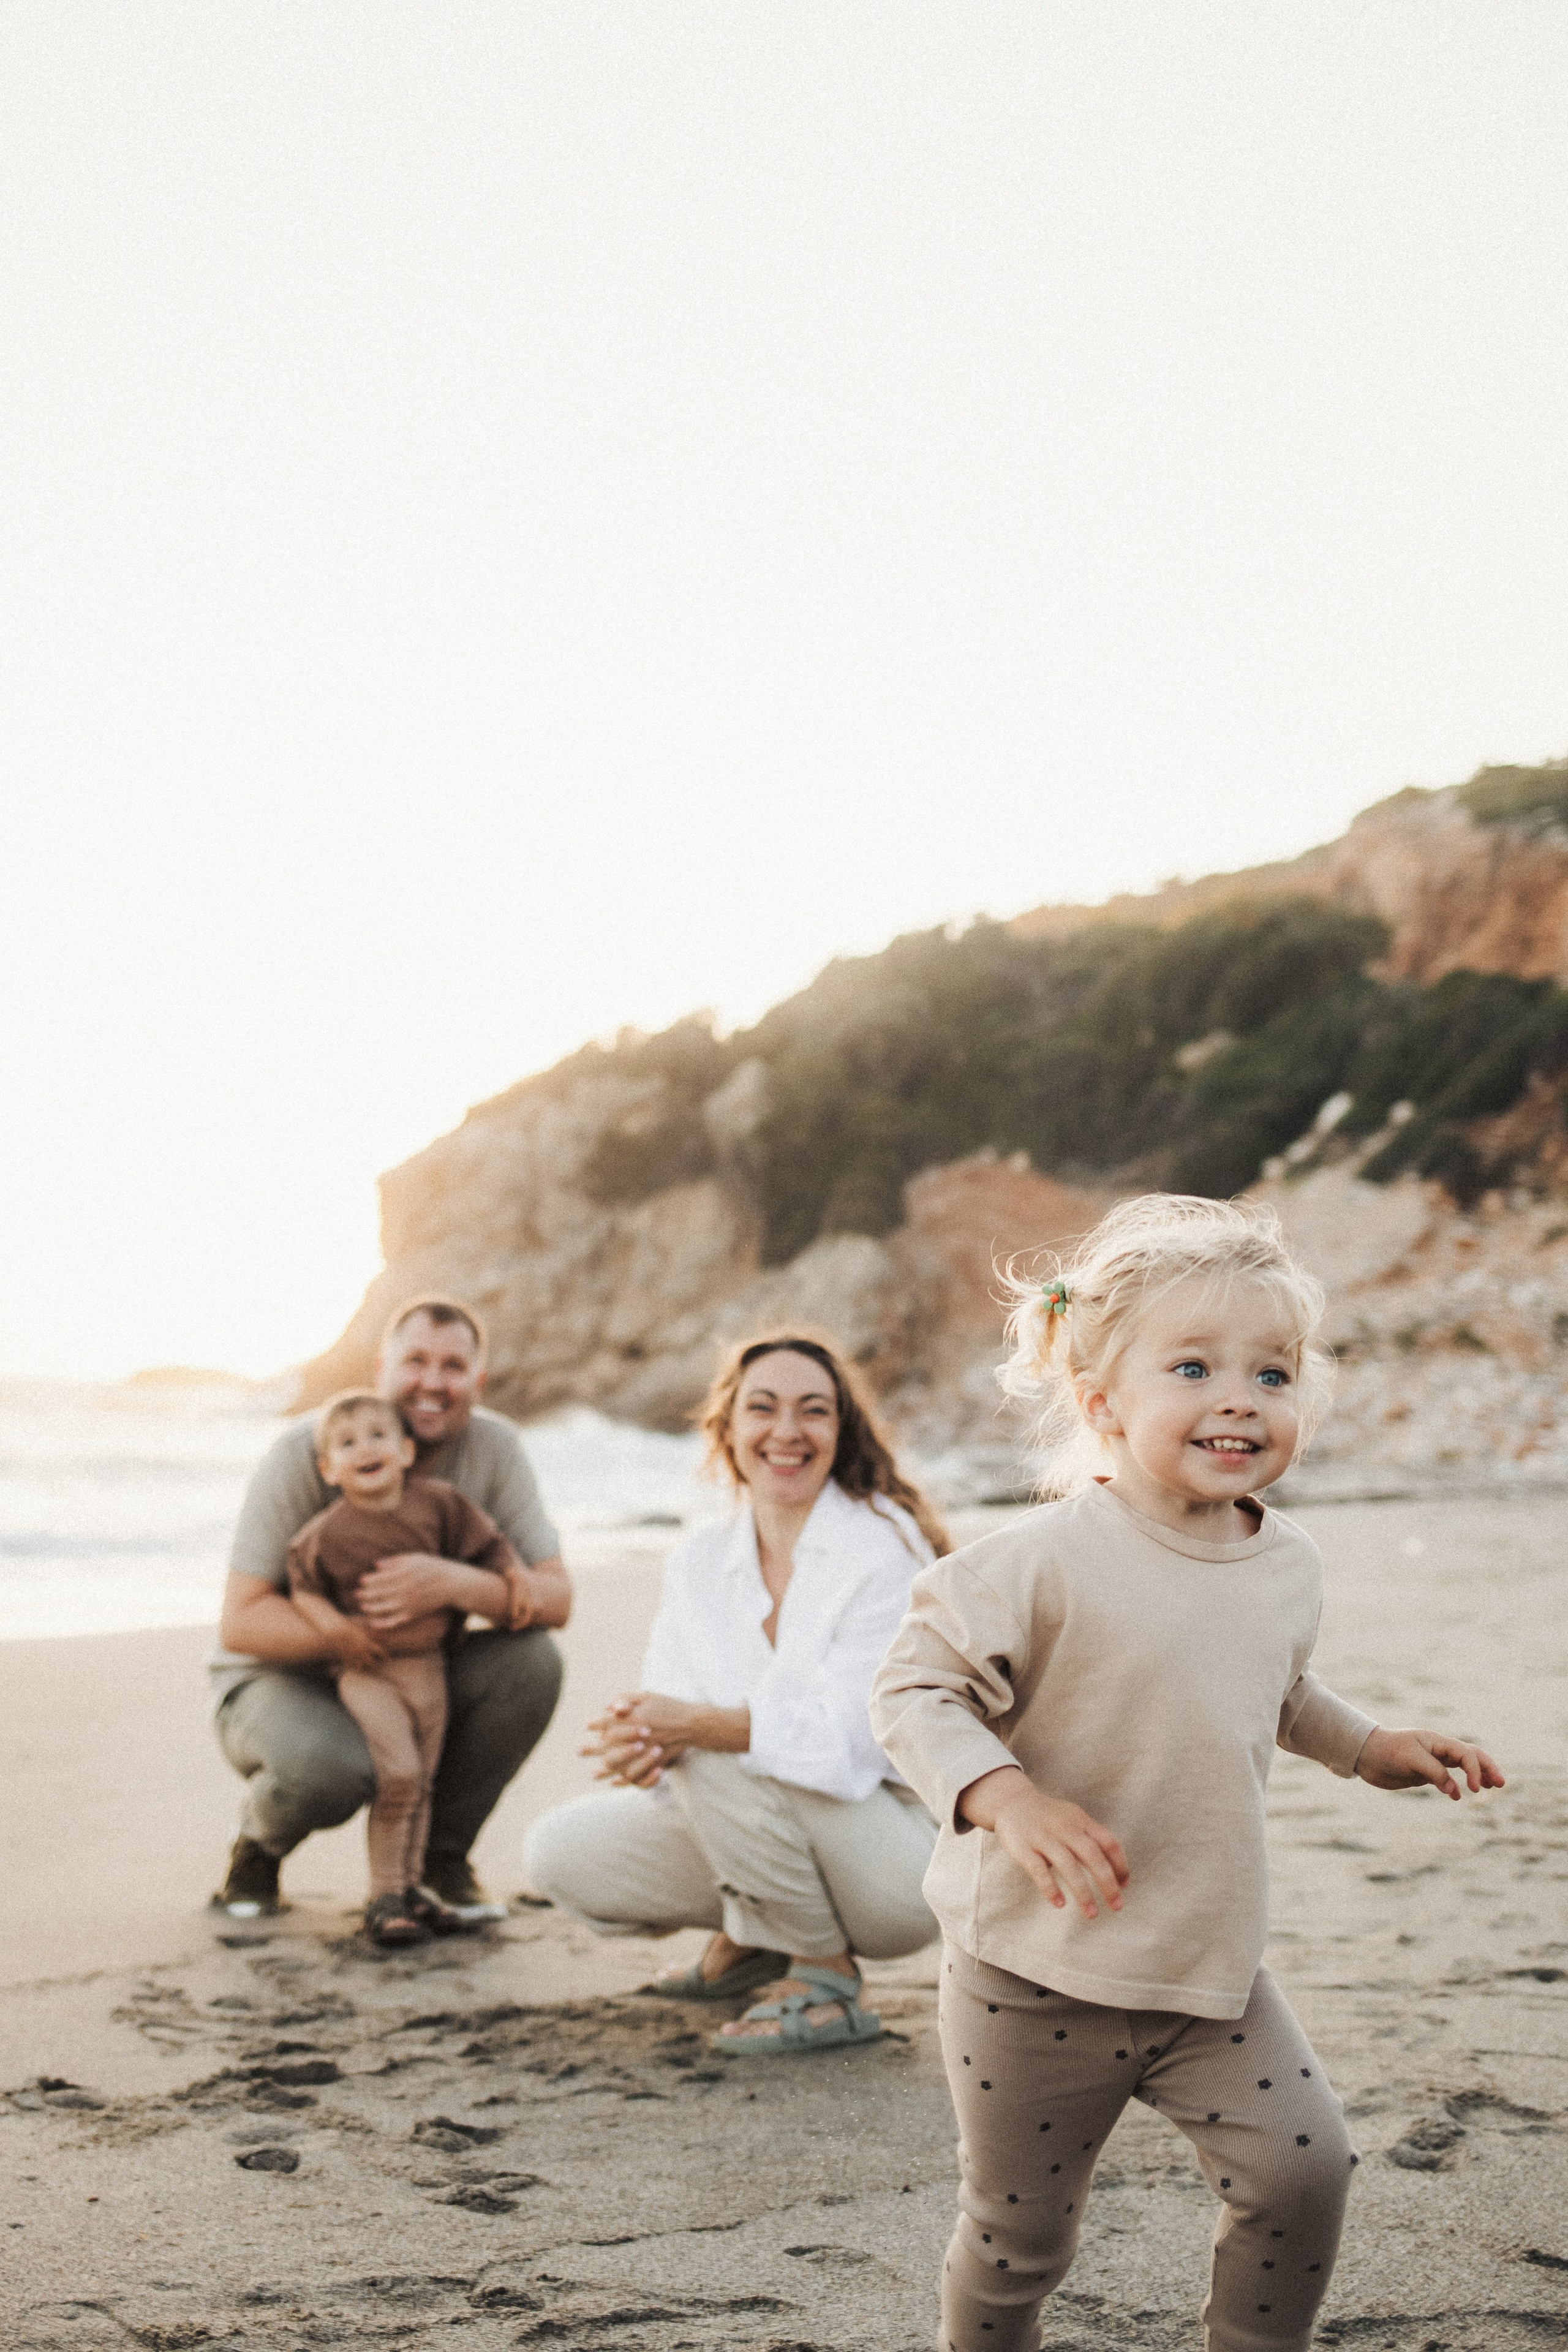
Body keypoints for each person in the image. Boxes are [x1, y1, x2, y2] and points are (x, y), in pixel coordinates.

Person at [869, 1194, 1504, 2352]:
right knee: (1021, 2243)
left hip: (1206, 1970)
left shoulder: (1285, 1562)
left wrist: (1371, 1750)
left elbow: (1274, 1692)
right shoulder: (1036, 1563)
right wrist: (1005, 1797)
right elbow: (913, 1690)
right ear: (1102, 1403)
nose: (1239, 1399)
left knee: (1304, 2172)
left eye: (1274, 1374)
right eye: (1196, 1366)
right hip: (1032, 1977)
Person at [522, 1329, 952, 2056]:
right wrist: (642, 1748)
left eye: (813, 1411)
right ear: (727, 1430)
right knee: (560, 1851)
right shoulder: (698, 1559)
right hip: (764, 1829)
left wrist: (694, 1728)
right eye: (763, 1408)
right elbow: (673, 1716)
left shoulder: (882, 1546)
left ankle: (825, 1975)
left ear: (841, 1432)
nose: (787, 1431)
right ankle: (756, 1941)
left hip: (893, 1855)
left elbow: (855, 1740)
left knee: (710, 1743)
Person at [210, 1297, 571, 1921]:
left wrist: (454, 1583)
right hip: (282, 1679)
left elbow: (556, 1597)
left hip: (418, 1668)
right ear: (381, 1369)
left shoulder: (494, 1449)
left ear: (477, 1384)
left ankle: (438, 1864)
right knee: (332, 1770)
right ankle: (258, 1847)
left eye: (453, 1366)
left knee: (531, 1663)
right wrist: (348, 1633)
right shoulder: (308, 1451)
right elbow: (242, 1622)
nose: (433, 1382)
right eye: (416, 1362)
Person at [286, 1389, 529, 1946]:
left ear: (404, 1449)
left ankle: (413, 1890)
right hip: (369, 1674)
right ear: (329, 1469)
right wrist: (337, 1631)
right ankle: (383, 1895)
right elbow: (302, 1588)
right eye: (346, 1444)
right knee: (397, 1777)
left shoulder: (439, 1505)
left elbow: (490, 1547)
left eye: (377, 1436)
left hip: (429, 1670)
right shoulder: (327, 1532)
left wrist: (513, 1578)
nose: (363, 1449)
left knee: (423, 1781)